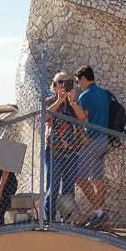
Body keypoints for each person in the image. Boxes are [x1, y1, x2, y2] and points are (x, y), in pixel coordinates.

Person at [71, 66, 111, 229]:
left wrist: (73, 101)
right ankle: (97, 216)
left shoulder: (86, 95)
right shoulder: (104, 93)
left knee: (79, 178)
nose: (78, 85)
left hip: (92, 140)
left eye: (78, 81)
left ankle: (99, 213)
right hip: (104, 140)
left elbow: (82, 116)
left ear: (84, 79)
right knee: (96, 180)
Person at [44, 71, 87, 223]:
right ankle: (49, 221)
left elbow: (82, 118)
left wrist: (72, 101)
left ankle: (66, 220)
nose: (63, 84)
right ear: (54, 86)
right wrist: (60, 101)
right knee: (53, 188)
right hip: (53, 150)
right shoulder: (49, 101)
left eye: (66, 82)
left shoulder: (74, 101)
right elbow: (44, 117)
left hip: (72, 150)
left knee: (68, 189)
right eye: (60, 82)